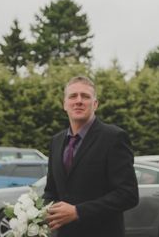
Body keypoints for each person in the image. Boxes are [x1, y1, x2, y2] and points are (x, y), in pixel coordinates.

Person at [43, 76, 139, 237]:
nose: (78, 101)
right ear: (64, 104)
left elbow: (128, 194)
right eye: (73, 96)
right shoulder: (56, 142)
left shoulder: (114, 137)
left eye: (85, 96)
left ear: (95, 104)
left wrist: (78, 211)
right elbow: (51, 191)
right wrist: (40, 212)